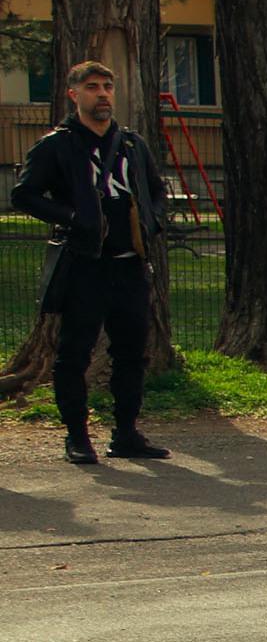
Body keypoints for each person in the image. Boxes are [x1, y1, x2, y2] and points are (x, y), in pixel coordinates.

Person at [11, 60, 169, 464]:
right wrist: (71, 217)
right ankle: (77, 437)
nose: (102, 94)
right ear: (74, 94)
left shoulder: (132, 144)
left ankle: (126, 433)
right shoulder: (57, 145)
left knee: (132, 352)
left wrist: (152, 223)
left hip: (129, 264)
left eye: (108, 87)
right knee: (74, 353)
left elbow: (155, 190)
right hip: (84, 265)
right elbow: (24, 194)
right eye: (93, 87)